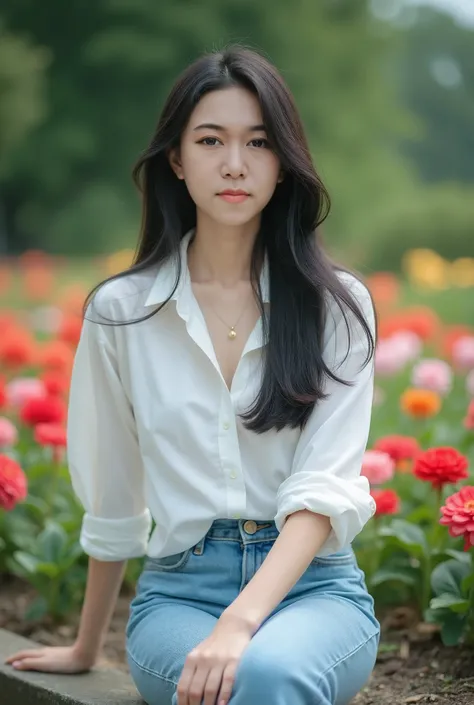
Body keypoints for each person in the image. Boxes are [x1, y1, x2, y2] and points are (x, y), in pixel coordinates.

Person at [6, 45, 380, 705]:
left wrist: (241, 623)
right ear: (176, 159)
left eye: (258, 142)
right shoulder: (122, 313)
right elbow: (115, 493)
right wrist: (87, 645)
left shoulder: (337, 305)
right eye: (211, 140)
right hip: (180, 592)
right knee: (229, 683)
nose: (234, 163)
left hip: (314, 592)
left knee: (265, 672)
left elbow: (325, 488)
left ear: (284, 162)